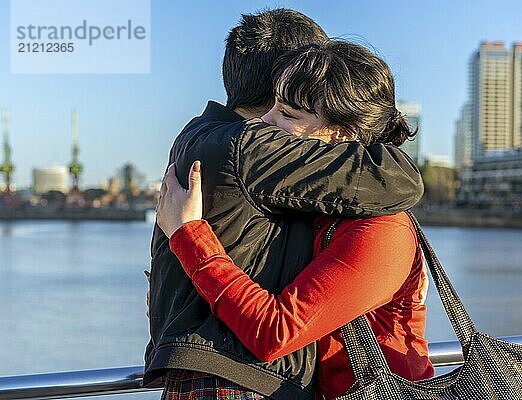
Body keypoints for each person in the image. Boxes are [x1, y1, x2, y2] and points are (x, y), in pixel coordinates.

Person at [144, 9, 424, 400]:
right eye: (275, 104)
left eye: (288, 111)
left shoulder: (379, 227)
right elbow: (401, 178)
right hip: (240, 378)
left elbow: (278, 330)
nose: (269, 121)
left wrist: (188, 237)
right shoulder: (251, 147)